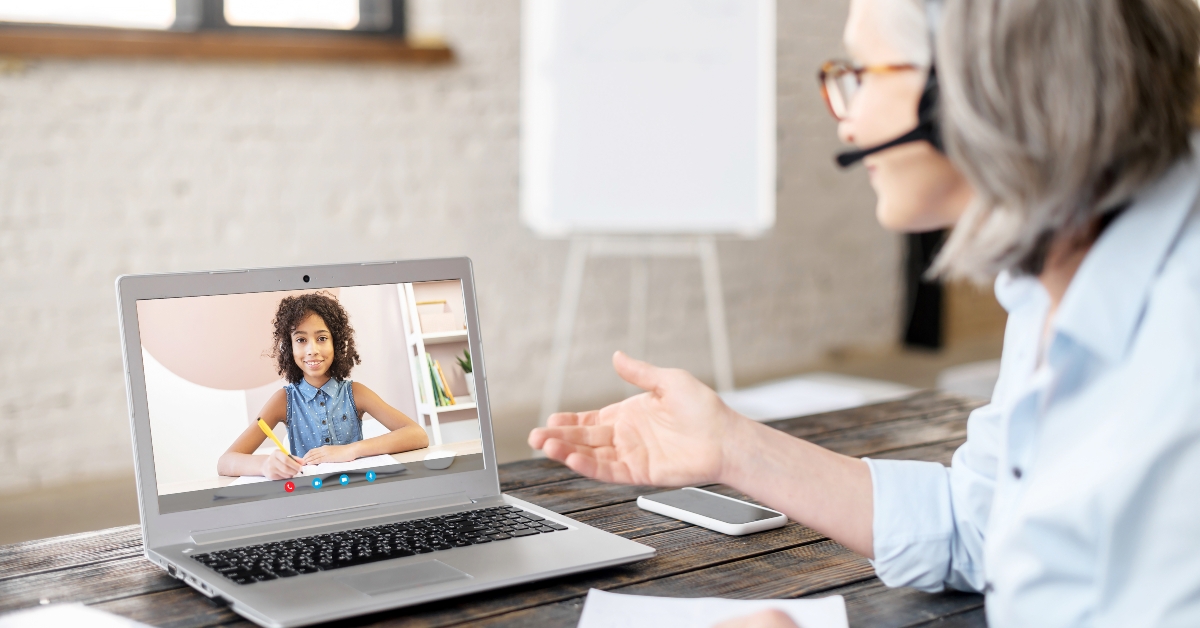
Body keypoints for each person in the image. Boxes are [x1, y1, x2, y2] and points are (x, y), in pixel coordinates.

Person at [529, 0, 1200, 624]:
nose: (846, 117)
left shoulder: (1179, 349)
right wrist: (731, 447)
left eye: (864, 73)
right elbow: (984, 530)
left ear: (977, 84)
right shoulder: (1056, 285)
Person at [218, 292, 428, 480]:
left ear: (335, 343)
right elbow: (225, 462)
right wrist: (265, 465)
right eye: (301, 340)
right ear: (289, 348)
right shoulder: (283, 400)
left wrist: (352, 450)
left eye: (322, 338)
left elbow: (417, 435)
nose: (312, 349)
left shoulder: (355, 393)